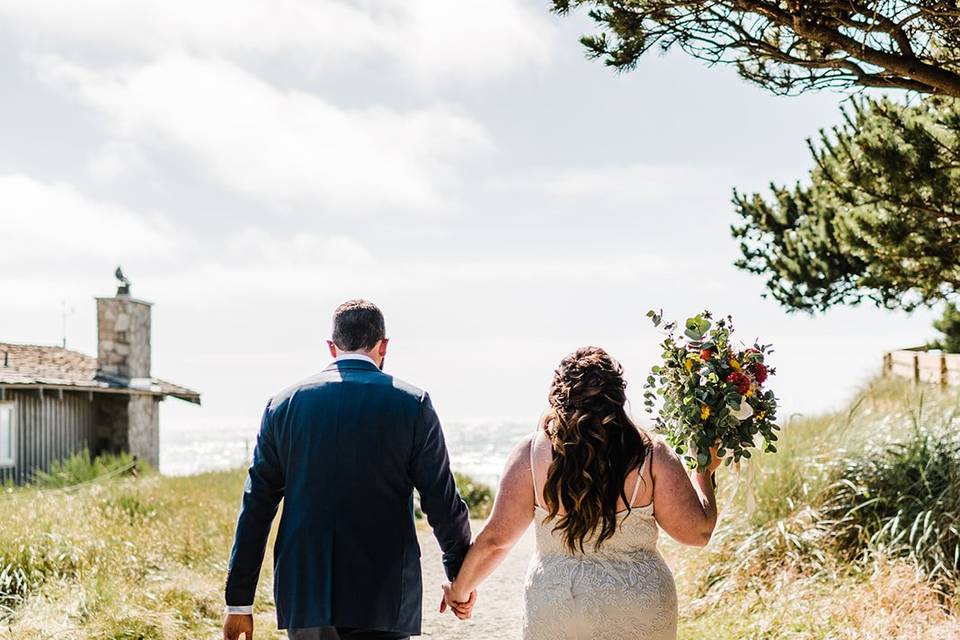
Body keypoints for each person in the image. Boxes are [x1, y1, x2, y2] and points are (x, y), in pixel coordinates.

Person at [223, 299, 472, 640]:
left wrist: (239, 602)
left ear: (331, 348)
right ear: (384, 346)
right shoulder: (412, 404)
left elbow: (257, 506)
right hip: (384, 593)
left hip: (306, 591)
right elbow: (442, 501)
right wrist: (460, 576)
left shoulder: (282, 406)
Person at [440, 346, 722, 639]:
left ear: (558, 395)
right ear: (618, 397)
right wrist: (704, 470)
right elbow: (697, 533)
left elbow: (497, 540)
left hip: (559, 607)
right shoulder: (651, 453)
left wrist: (459, 589)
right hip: (639, 607)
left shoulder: (532, 453)